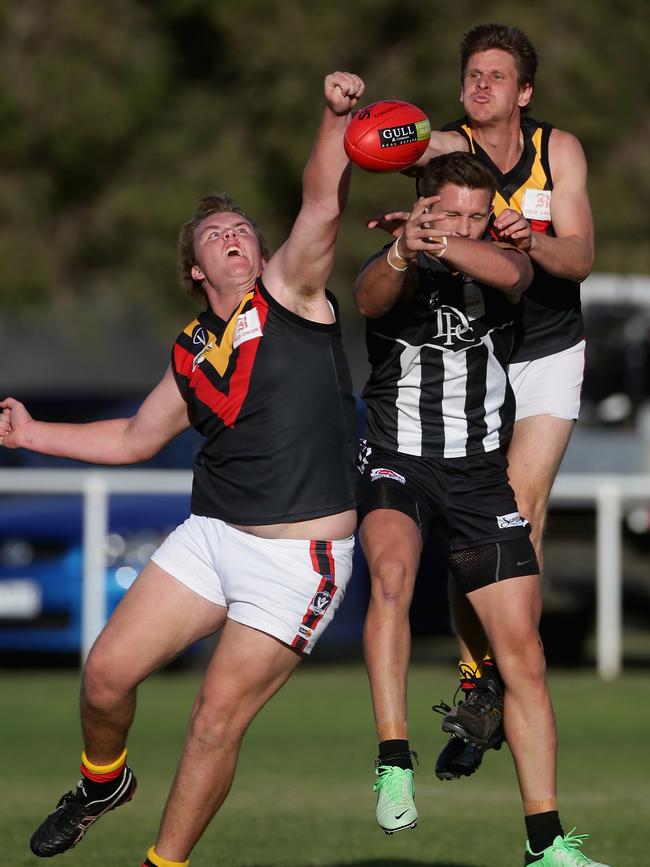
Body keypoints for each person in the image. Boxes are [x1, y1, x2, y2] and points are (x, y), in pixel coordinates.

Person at [0, 70, 364, 867]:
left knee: (211, 721)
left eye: (242, 228)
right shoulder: (194, 347)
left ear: (263, 252)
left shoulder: (293, 296)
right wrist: (32, 434)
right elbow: (134, 437)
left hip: (294, 562)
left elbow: (323, 203)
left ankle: (162, 864)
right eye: (214, 234)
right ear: (195, 270)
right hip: (211, 535)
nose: (233, 236)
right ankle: (103, 781)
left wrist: (333, 119)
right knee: (104, 673)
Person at [357, 152, 609, 866]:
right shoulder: (397, 261)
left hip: (477, 475)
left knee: (523, 651)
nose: (466, 224)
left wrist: (446, 237)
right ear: (423, 204)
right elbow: (370, 297)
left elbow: (513, 273)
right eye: (450, 211)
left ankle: (546, 842)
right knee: (394, 579)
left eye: (477, 212)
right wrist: (406, 246)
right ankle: (395, 762)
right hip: (396, 460)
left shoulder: (506, 261)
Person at [411, 23, 595, 790]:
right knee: (470, 524)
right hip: (474, 349)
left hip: (549, 348)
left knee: (518, 511)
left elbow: (580, 255)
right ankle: (478, 679)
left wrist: (532, 241)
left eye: (497, 76)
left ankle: (492, 687)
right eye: (472, 74)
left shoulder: (561, 151)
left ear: (524, 92)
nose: (481, 84)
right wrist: (346, 116)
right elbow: (372, 150)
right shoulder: (442, 150)